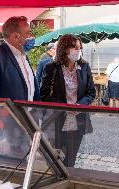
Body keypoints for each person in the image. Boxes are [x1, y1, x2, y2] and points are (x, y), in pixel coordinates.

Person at [0, 16, 40, 159]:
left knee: (23, 172)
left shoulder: (24, 57)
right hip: (6, 132)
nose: (32, 37)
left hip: (27, 128)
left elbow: (31, 92)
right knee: (8, 176)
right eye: (28, 33)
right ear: (15, 36)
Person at [40, 34, 95, 166]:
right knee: (57, 158)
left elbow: (91, 93)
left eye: (80, 48)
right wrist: (64, 107)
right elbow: (44, 95)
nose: (79, 50)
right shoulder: (51, 68)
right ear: (65, 49)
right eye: (75, 47)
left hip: (78, 119)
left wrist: (79, 105)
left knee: (71, 158)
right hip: (58, 119)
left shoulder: (84, 67)